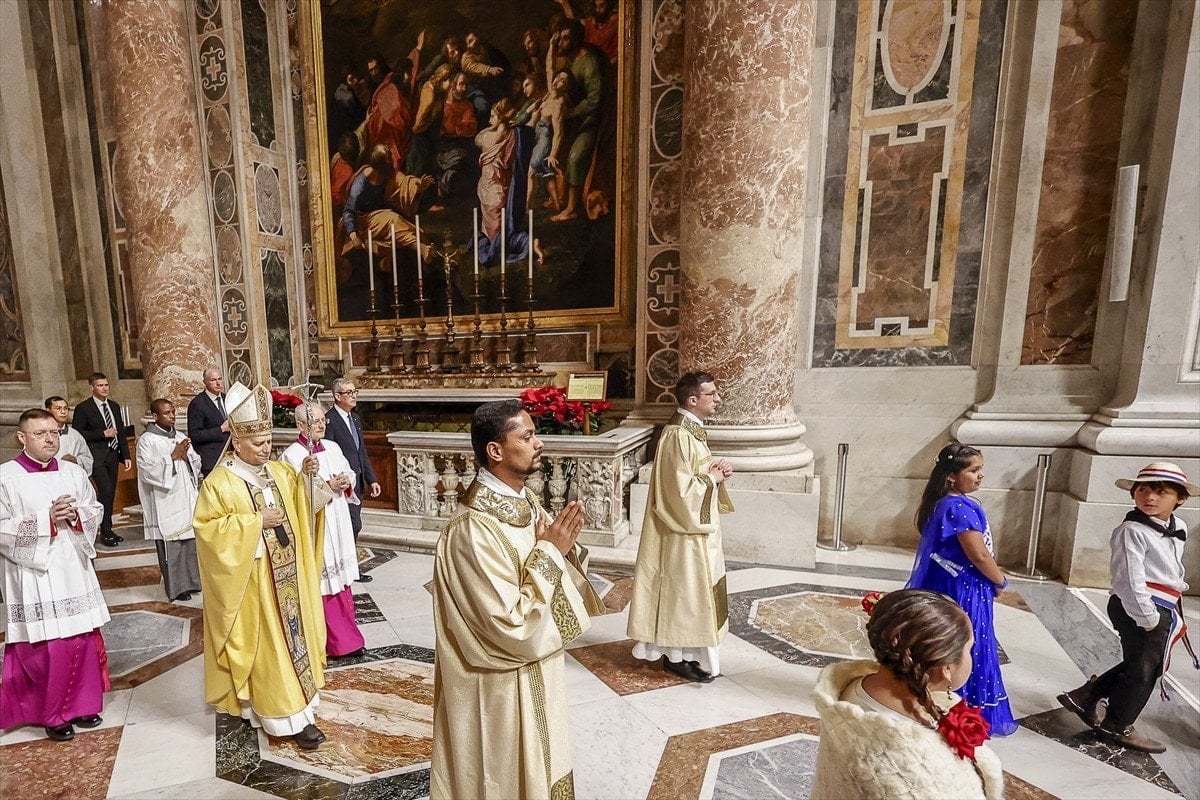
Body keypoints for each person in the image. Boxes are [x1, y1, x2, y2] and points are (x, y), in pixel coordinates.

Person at [431, 400, 603, 800]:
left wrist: (561, 547)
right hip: (499, 687)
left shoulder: (523, 500)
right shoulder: (472, 531)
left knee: (544, 768)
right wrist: (552, 552)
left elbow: (548, 557)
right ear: (496, 450)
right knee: (504, 779)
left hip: (539, 669)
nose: (538, 443)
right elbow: (510, 627)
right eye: (526, 437)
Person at [192, 381, 333, 750]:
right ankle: (286, 717)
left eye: (269, 441)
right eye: (257, 443)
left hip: (289, 581)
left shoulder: (280, 472)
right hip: (255, 585)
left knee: (293, 642)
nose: (266, 448)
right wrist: (254, 523)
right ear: (237, 443)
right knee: (270, 650)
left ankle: (300, 709)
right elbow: (207, 531)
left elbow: (305, 509)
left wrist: (309, 478)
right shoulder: (219, 483)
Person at [1058, 462, 1197, 754]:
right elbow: (1128, 579)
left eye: (1161, 492)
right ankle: (1118, 725)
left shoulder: (1179, 527)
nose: (1150, 497)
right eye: (1142, 490)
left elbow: (1170, 568)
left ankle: (1085, 697)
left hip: (1163, 603)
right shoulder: (1131, 530)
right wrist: (1148, 617)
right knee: (1144, 670)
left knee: (1142, 664)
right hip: (1138, 605)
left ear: (1181, 498)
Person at [812, 589, 1004, 799]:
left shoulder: (855, 690)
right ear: (947, 668)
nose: (971, 656)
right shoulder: (914, 772)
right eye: (969, 648)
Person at [0, 408, 110, 742]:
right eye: (40, 434)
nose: (50, 439)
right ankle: (54, 712)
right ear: (22, 437)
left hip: (73, 567)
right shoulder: (6, 477)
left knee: (82, 638)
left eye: (54, 433)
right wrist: (46, 519)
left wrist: (77, 516)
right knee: (48, 647)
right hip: (35, 573)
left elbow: (95, 508)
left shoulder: (73, 472)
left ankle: (84, 705)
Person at [627, 371, 734, 682]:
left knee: (693, 595)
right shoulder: (677, 435)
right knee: (682, 594)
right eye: (712, 394)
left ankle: (690, 654)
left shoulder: (691, 430)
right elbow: (678, 493)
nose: (718, 399)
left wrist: (716, 471)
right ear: (692, 400)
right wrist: (711, 478)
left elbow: (692, 473)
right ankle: (676, 657)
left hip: (693, 530)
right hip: (680, 531)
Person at [905, 443, 1018, 736]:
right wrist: (1000, 581)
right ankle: (963, 709)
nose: (980, 475)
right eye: (974, 470)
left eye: (981, 469)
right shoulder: (958, 508)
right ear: (952, 476)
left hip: (953, 582)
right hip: (965, 588)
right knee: (968, 643)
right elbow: (978, 555)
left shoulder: (946, 503)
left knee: (952, 642)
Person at [280, 403, 366, 659]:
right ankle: (335, 642)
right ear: (300, 426)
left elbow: (349, 471)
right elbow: (292, 496)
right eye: (315, 421)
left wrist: (346, 481)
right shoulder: (292, 456)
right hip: (318, 525)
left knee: (342, 580)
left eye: (322, 420)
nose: (321, 425)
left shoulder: (333, 447)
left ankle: (349, 636)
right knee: (326, 582)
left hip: (338, 519)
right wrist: (328, 485)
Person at [136, 399, 203, 602]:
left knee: (190, 541)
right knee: (173, 545)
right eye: (167, 413)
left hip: (185, 497)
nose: (172, 416)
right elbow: (146, 471)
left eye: (173, 412)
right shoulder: (147, 440)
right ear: (155, 416)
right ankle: (177, 588)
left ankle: (194, 582)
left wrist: (187, 457)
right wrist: (172, 456)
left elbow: (196, 461)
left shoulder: (180, 436)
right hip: (164, 500)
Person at [72, 372, 132, 547]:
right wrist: (102, 434)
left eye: (106, 385)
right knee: (104, 491)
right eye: (100, 385)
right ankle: (102, 531)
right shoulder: (83, 408)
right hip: (95, 457)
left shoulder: (114, 406)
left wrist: (126, 455)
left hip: (113, 454)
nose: (104, 388)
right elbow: (77, 433)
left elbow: (120, 431)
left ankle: (108, 529)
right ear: (92, 387)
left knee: (111, 492)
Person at [324, 378, 379, 564]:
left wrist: (371, 479)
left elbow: (360, 451)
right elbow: (328, 454)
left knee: (354, 525)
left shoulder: (354, 418)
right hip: (342, 484)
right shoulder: (330, 421)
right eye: (349, 392)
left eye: (355, 392)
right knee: (352, 525)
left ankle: (351, 566)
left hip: (358, 481)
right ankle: (347, 565)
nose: (354, 396)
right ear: (337, 396)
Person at [186, 366, 230, 478]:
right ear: (205, 382)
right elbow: (195, 435)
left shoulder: (228, 399)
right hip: (212, 460)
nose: (218, 383)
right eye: (213, 380)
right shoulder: (197, 403)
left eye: (219, 379)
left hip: (231, 456)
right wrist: (220, 429)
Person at [45, 396, 93, 474]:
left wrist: (76, 460)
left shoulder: (75, 435)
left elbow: (88, 459)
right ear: (48, 411)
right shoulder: (40, 434)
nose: (63, 412)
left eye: (66, 408)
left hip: (71, 475)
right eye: (58, 408)